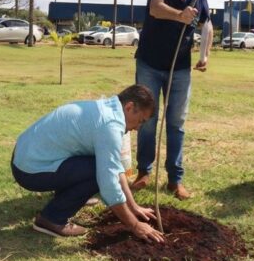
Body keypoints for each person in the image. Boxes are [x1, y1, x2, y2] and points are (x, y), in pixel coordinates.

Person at [11, 84, 165, 243]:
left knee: (100, 166)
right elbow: (109, 183)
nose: (138, 128)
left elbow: (114, 165)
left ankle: (69, 198)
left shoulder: (107, 108)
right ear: (129, 107)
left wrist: (133, 206)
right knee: (98, 173)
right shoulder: (109, 125)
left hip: (26, 158)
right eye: (140, 121)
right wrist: (134, 225)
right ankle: (52, 219)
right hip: (30, 170)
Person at [131, 0, 214, 200]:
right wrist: (180, 15)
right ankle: (144, 173)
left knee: (176, 123)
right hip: (149, 64)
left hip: (180, 68)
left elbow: (207, 23)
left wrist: (205, 54)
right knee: (147, 119)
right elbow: (156, 9)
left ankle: (174, 180)